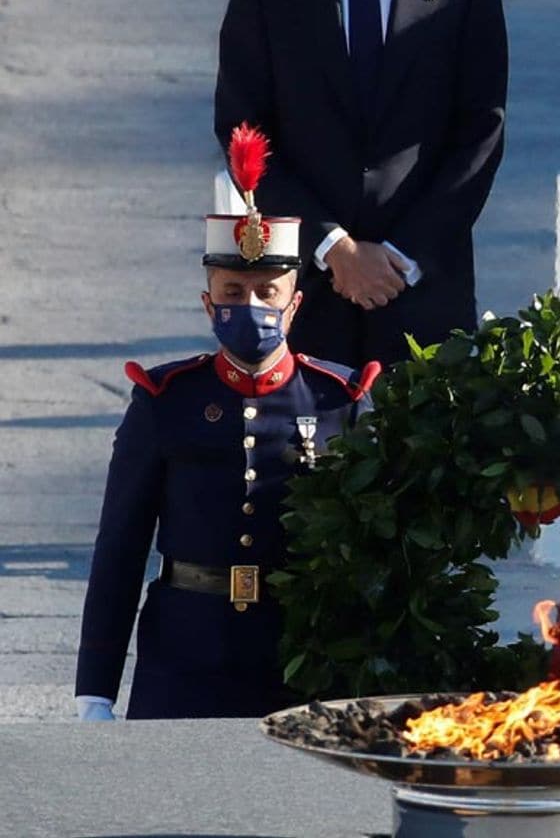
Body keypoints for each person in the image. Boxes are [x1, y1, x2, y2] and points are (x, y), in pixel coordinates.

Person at [75, 126, 379, 720]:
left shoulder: (340, 399)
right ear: (208, 303)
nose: (252, 307)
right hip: (185, 655)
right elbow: (120, 547)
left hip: (302, 657)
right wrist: (95, 688)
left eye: (268, 293)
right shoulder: (165, 399)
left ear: (294, 306)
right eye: (234, 291)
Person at [214, 0, 508, 369]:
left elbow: (480, 134)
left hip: (422, 287)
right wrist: (333, 246)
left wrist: (401, 254)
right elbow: (245, 128)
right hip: (304, 289)